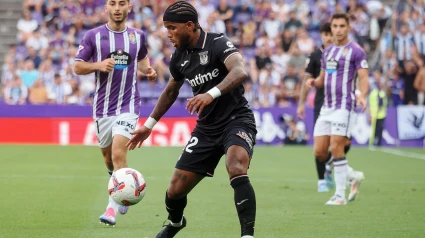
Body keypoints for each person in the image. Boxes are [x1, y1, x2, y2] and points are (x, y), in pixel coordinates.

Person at [127, 1, 257, 237]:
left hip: (236, 119)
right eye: (166, 28)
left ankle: (247, 234)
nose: (168, 34)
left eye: (172, 28)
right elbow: (170, 91)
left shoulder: (217, 43)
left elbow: (240, 71)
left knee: (236, 165)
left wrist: (211, 93)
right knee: (175, 191)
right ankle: (176, 223)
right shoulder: (179, 57)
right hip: (206, 129)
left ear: (189, 26)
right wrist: (148, 126)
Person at [73, 0, 157, 226]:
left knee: (119, 153)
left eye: (122, 3)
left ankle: (111, 208)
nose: (117, 8)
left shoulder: (138, 36)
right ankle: (119, 187)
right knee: (109, 159)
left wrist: (148, 71)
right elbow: (78, 66)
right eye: (113, 3)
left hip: (128, 105)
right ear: (106, 8)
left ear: (129, 8)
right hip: (102, 108)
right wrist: (98, 65)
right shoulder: (93, 36)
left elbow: (142, 63)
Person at [306, 13, 367, 205]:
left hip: (344, 106)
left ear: (348, 27)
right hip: (327, 107)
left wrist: (362, 95)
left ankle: (340, 195)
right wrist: (313, 82)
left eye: (342, 26)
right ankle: (352, 175)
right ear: (330, 28)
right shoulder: (328, 52)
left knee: (336, 146)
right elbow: (323, 79)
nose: (338, 30)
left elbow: (364, 78)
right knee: (319, 152)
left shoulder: (356, 51)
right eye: (335, 26)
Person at [298, 22, 339, 193]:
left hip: (340, 104)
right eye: (326, 34)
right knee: (320, 144)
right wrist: (301, 102)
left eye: (331, 34)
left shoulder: (342, 53)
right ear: (322, 36)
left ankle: (330, 163)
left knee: (343, 142)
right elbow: (307, 81)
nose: (329, 37)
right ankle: (322, 180)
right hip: (321, 105)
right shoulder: (315, 55)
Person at [368, 79, 388, 147]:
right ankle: (376, 143)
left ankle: (373, 143)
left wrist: (370, 114)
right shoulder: (381, 93)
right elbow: (382, 103)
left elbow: (370, 105)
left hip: (376, 114)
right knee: (377, 130)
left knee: (375, 130)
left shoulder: (373, 93)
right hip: (378, 114)